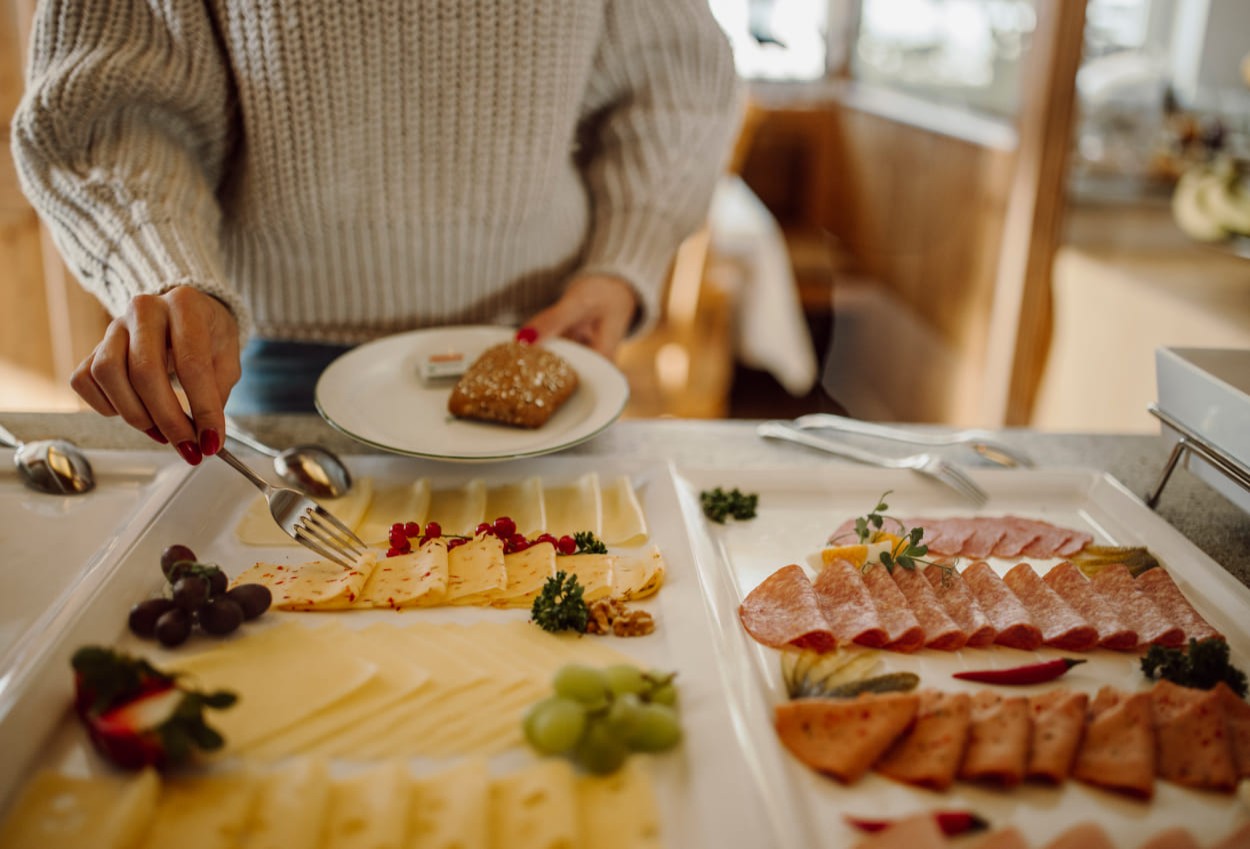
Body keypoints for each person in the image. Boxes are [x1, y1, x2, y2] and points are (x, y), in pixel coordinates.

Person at [12, 1, 740, 465]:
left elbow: (676, 84)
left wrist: (619, 265)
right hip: (266, 360)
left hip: (543, 345)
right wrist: (165, 267)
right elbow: (110, 112)